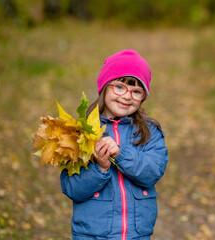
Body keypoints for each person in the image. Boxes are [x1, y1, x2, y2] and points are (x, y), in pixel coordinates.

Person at [60, 49, 168, 240]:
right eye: (119, 87)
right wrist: (100, 169)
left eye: (136, 91)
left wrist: (121, 153)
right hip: (92, 235)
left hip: (136, 235)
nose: (127, 96)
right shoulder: (82, 131)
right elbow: (72, 188)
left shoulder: (149, 132)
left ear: (143, 96)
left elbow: (152, 173)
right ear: (105, 88)